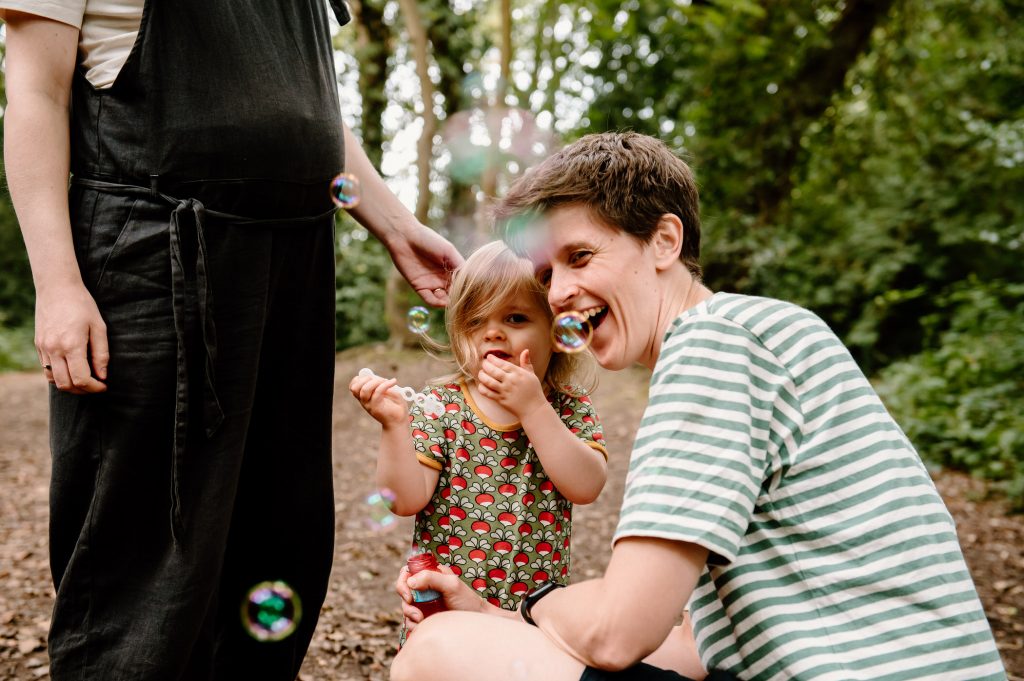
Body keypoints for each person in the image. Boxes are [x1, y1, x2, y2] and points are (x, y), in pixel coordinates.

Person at [388, 132, 1007, 681]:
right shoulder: (760, 330)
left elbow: (615, 635)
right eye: (546, 275)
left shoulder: (715, 345)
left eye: (579, 257)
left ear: (664, 240)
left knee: (439, 650)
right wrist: (494, 615)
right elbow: (695, 647)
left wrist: (523, 611)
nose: (560, 293)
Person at [1, 2, 463, 679]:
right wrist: (59, 284)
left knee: (282, 536)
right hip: (154, 254)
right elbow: (37, 91)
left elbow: (306, 106)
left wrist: (394, 224)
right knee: (148, 551)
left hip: (296, 257)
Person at [350, 240, 608, 618]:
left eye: (515, 318)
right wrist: (394, 426)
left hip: (530, 617)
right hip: (445, 611)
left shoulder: (566, 405)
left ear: (556, 332)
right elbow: (404, 500)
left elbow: (587, 486)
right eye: (475, 321)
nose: (492, 333)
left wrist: (533, 407)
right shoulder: (442, 405)